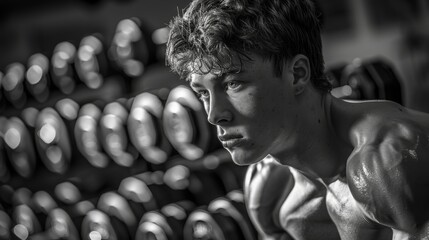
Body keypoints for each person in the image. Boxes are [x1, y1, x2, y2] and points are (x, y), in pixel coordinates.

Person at [165, 0, 429, 239]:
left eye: (233, 84)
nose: (214, 116)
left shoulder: (392, 161)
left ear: (298, 73)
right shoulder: (268, 187)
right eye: (202, 93)